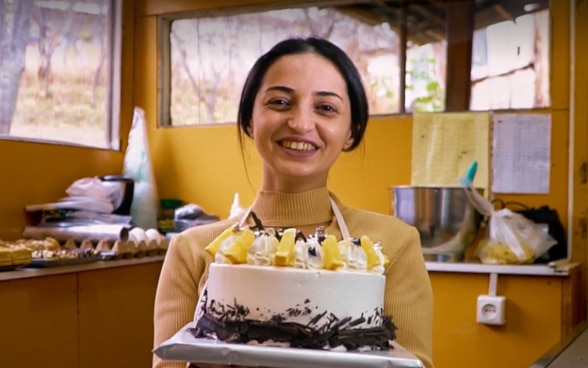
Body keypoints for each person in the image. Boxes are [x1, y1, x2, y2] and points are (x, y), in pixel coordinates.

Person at [153, 37, 434, 368]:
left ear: (350, 132)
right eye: (281, 102)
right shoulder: (194, 249)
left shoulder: (393, 244)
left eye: (326, 108)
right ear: (248, 120)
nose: (301, 124)